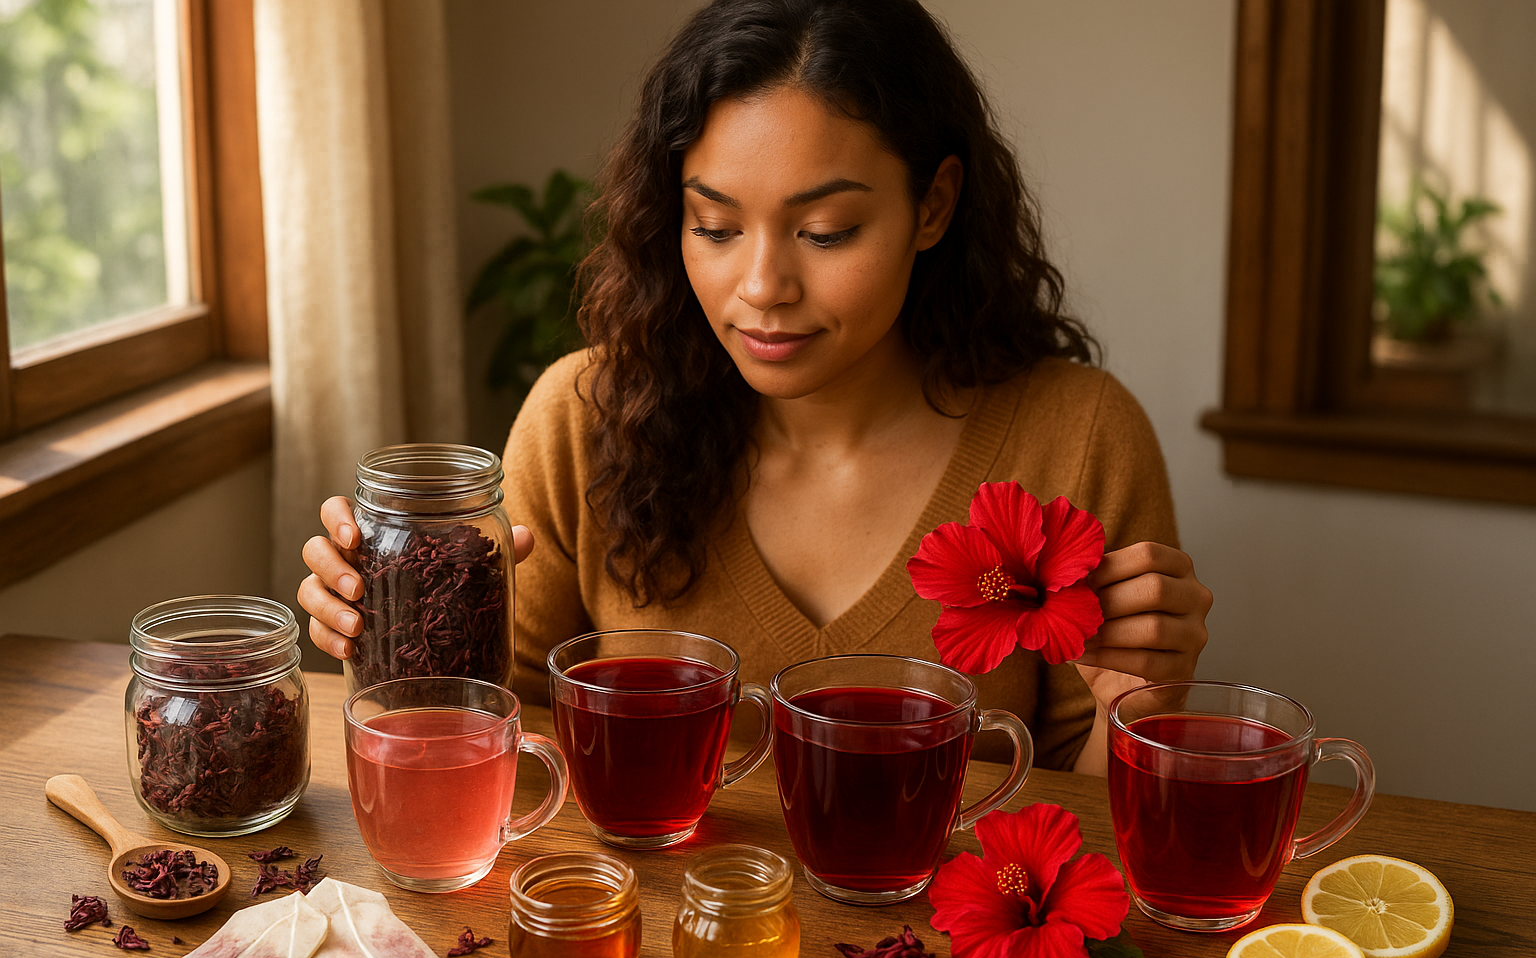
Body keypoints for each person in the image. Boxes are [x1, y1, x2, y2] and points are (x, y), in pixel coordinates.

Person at [300, 0, 1212, 775]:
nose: (763, 288)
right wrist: (398, 641)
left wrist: (1133, 700)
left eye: (825, 231)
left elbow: (1075, 812)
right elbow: (505, 744)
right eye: (716, 226)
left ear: (932, 206)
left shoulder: (1079, 436)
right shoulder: (583, 420)